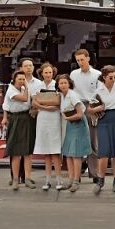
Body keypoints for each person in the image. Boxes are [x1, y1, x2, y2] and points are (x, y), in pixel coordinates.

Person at [89, 65, 115, 194]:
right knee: (103, 152)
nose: (113, 79)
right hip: (104, 119)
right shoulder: (98, 91)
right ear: (104, 77)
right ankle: (101, 180)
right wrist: (95, 109)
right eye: (110, 77)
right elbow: (90, 108)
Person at [69, 49, 102, 183]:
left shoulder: (97, 74)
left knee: (93, 141)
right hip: (77, 105)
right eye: (78, 60)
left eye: (82, 59)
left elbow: (100, 92)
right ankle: (77, 173)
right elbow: (71, 91)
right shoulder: (73, 74)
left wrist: (93, 107)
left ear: (88, 59)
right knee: (77, 140)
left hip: (91, 106)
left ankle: (94, 173)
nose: (80, 62)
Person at [58, 73, 92, 192]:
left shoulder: (73, 96)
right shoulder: (61, 96)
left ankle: (76, 180)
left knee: (76, 153)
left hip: (78, 124)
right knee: (68, 152)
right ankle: (71, 179)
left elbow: (80, 113)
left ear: (69, 84)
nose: (63, 85)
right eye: (61, 83)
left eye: (65, 83)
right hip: (69, 125)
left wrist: (67, 118)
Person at [32, 62, 63, 191]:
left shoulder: (57, 85)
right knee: (46, 153)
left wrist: (43, 103)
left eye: (50, 72)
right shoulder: (38, 85)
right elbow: (34, 102)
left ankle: (59, 180)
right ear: (42, 73)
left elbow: (58, 103)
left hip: (54, 119)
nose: (48, 75)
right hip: (42, 119)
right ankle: (48, 180)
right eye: (46, 72)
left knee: (55, 151)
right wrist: (45, 106)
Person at [3, 70, 36, 189]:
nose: (22, 81)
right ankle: (15, 179)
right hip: (16, 119)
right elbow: (23, 98)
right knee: (16, 152)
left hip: (27, 118)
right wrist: (27, 87)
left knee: (27, 152)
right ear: (14, 79)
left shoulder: (23, 89)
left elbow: (32, 100)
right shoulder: (11, 89)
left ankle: (27, 179)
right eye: (20, 79)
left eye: (24, 79)